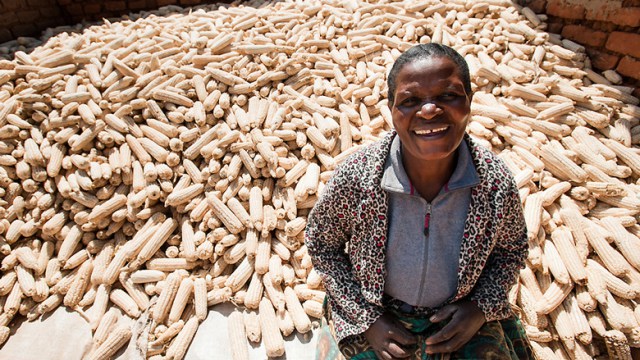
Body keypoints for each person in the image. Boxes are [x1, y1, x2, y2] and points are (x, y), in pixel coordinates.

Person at [305, 43, 532, 360]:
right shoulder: (357, 178)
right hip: (376, 312)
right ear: (392, 111)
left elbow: (512, 251)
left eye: (448, 96)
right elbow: (321, 244)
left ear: (469, 102)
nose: (428, 111)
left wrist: (479, 308)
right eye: (410, 101)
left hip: (457, 317)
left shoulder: (494, 183)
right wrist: (368, 319)